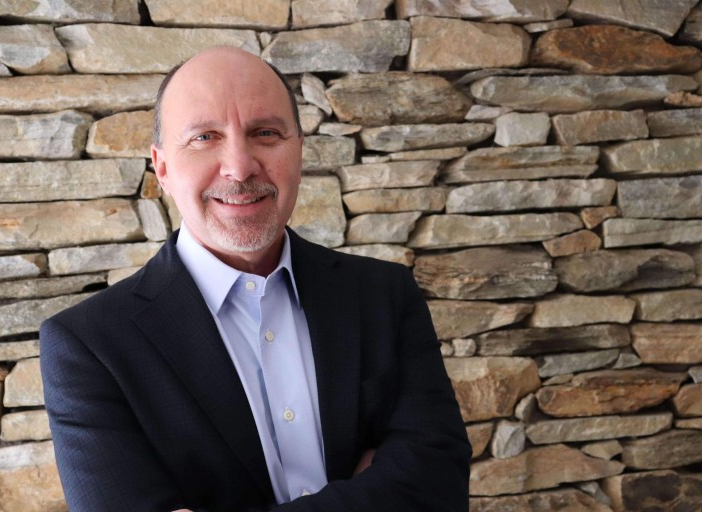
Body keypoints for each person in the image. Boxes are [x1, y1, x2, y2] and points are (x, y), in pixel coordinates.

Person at [40, 46, 470, 512]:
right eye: (204, 137)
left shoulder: (385, 295)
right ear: (162, 167)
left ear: (299, 150)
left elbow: (437, 483)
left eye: (265, 133)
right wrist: (375, 492)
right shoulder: (89, 345)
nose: (240, 167)